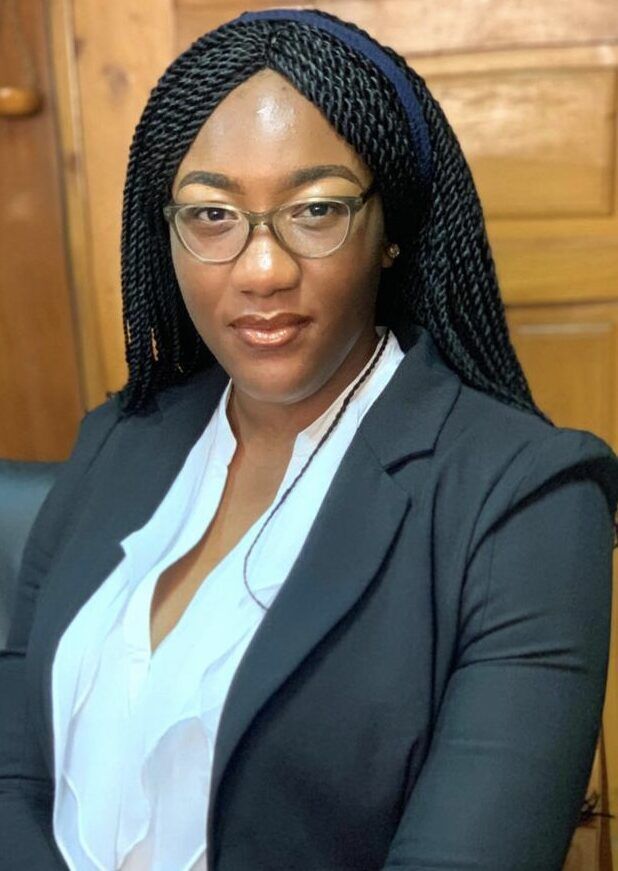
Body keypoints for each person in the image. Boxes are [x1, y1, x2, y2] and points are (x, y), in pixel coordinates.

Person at [1, 8, 617, 870]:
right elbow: (15, 776)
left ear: (392, 227)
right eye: (212, 214)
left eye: (317, 209)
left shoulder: (524, 504)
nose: (263, 269)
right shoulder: (117, 440)